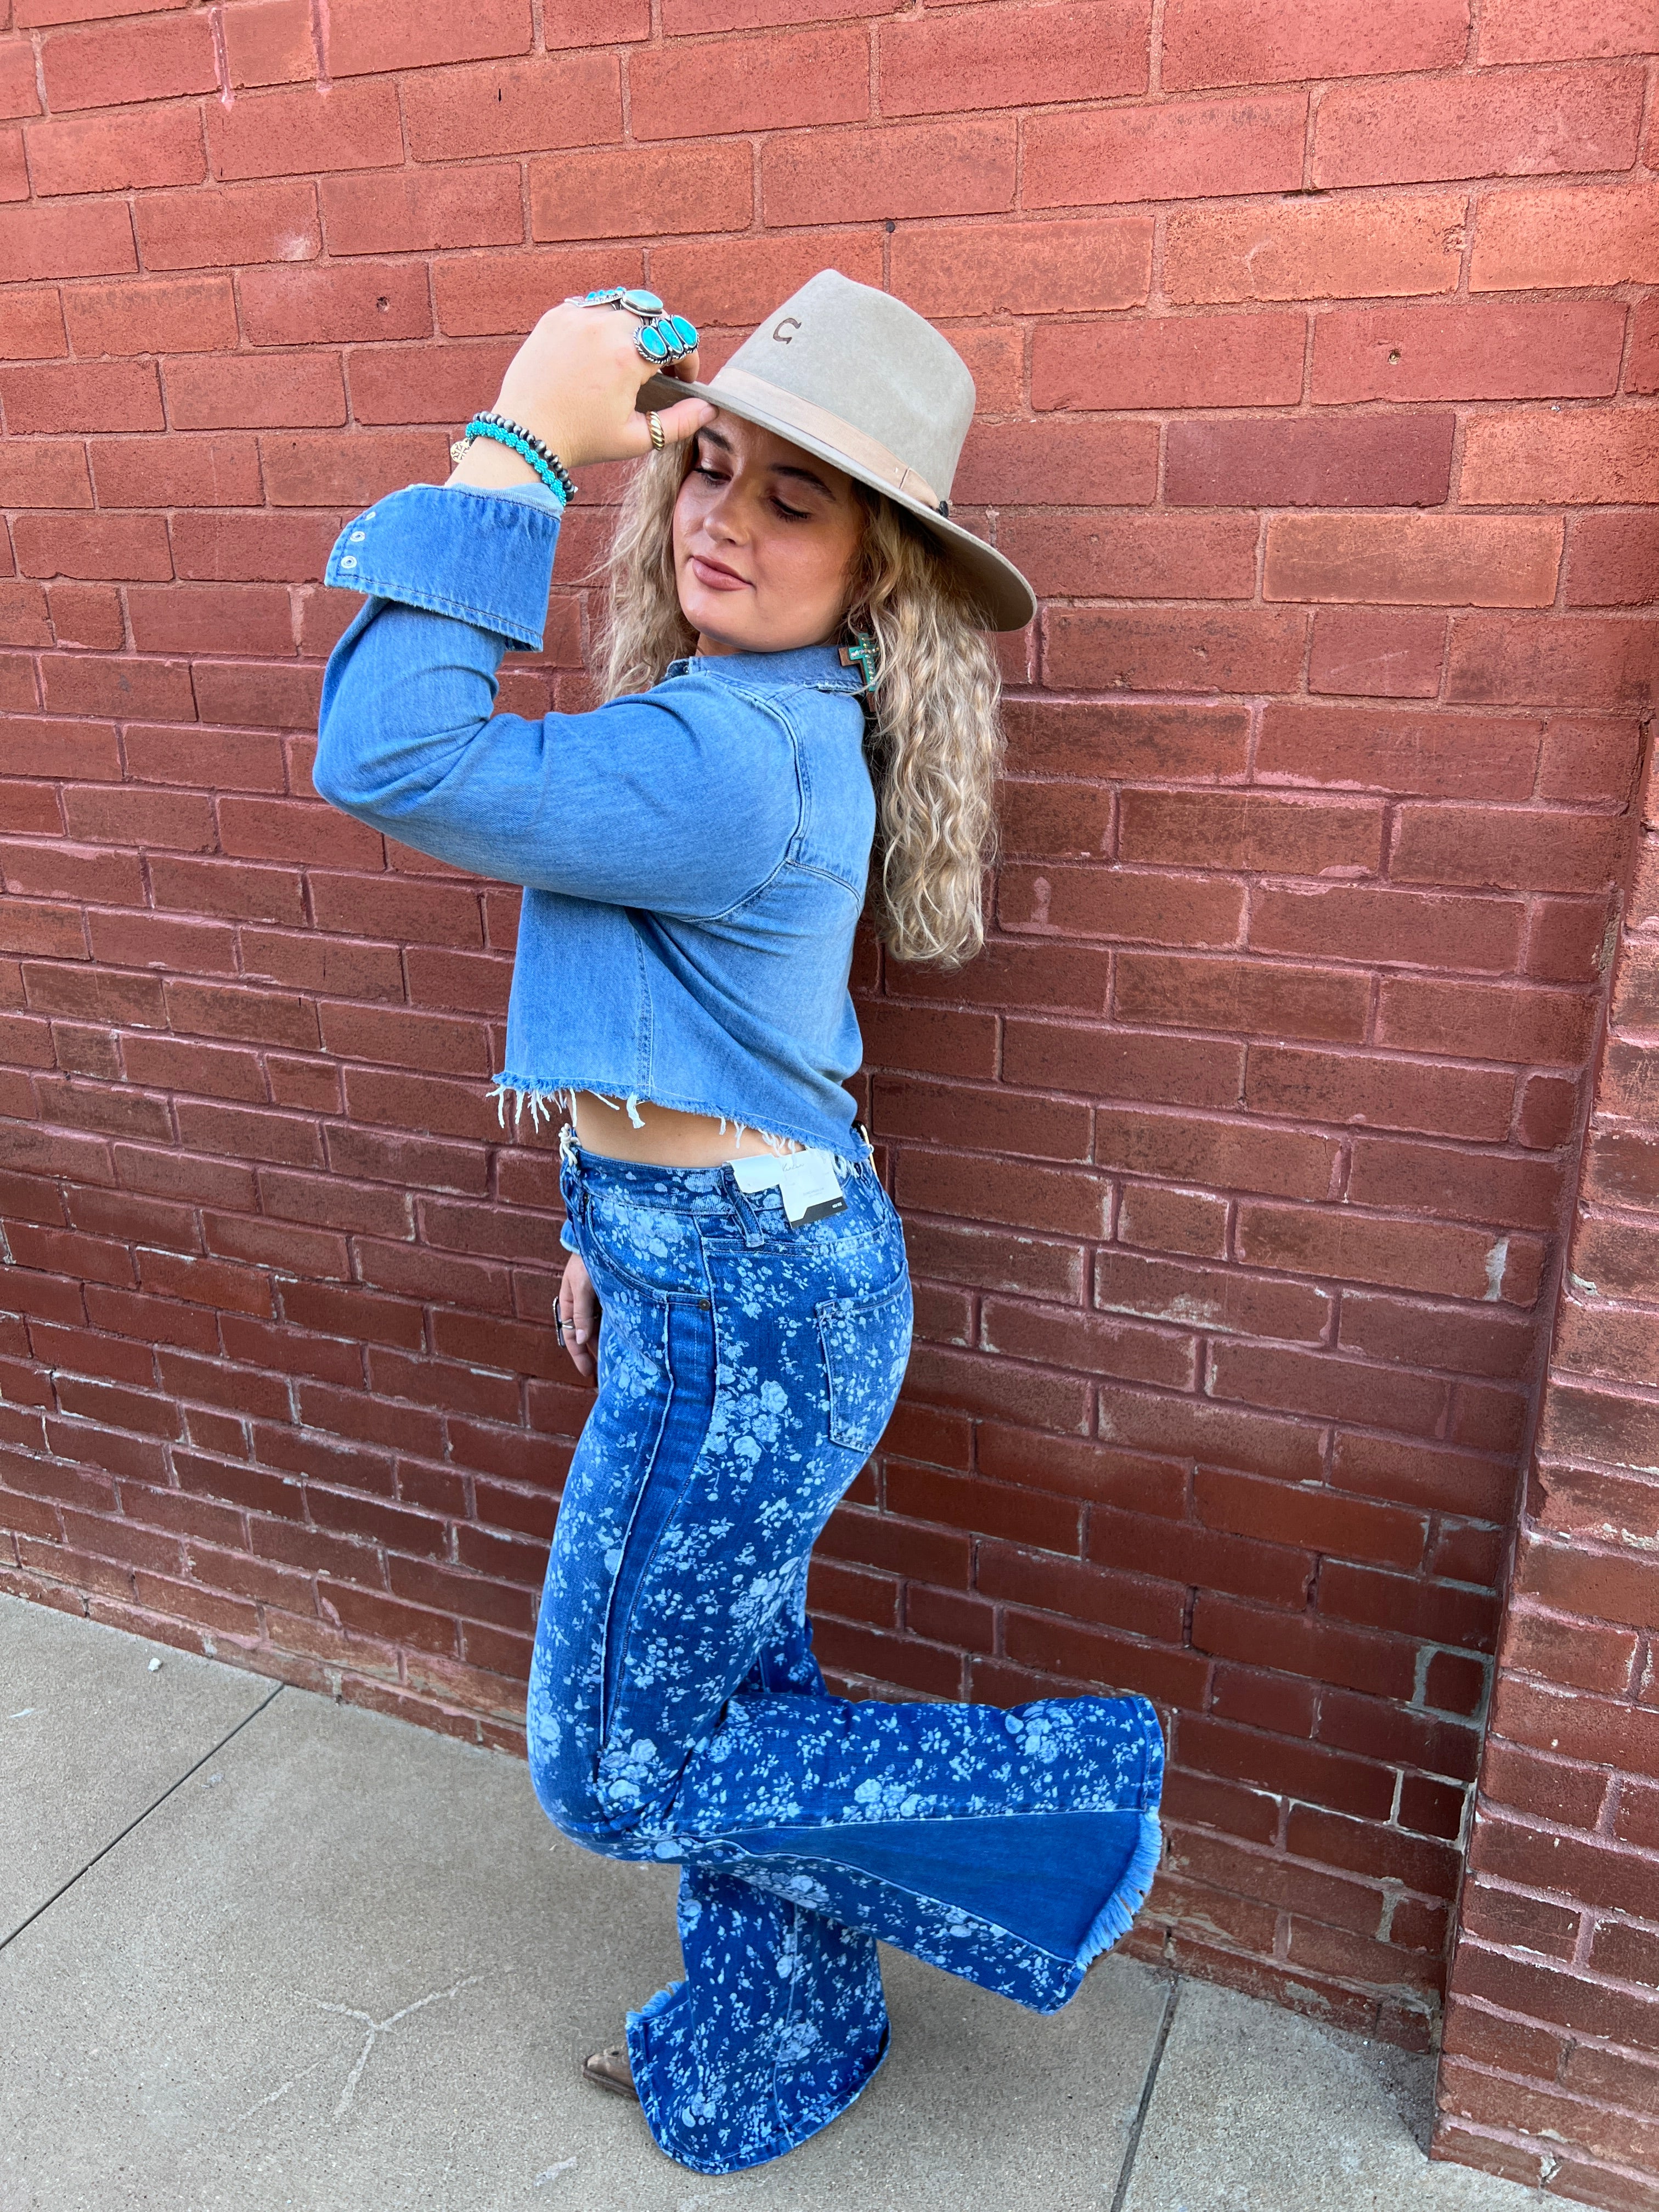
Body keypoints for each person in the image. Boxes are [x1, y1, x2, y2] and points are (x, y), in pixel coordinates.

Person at [313, 270, 1164, 2177]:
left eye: (796, 500)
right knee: (737, 1689)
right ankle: (776, 2044)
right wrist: (606, 1224)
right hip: (728, 1272)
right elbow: (742, 1031)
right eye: (712, 470)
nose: (725, 518)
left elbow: (390, 754)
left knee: (616, 1765)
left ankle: (1069, 1798)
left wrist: (518, 442)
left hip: (749, 1311)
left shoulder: (727, 756)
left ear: (875, 574)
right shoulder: (747, 721)